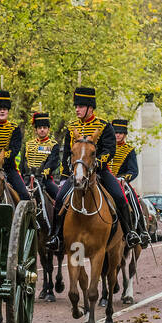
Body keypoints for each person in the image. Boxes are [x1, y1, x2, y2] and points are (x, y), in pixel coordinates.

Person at [48, 86, 141, 252]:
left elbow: (109, 149)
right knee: (60, 199)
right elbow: (67, 155)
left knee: (120, 197)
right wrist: (64, 175)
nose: (77, 109)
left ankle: (130, 233)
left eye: (81, 106)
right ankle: (56, 236)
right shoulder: (71, 127)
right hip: (76, 173)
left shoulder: (104, 126)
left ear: (90, 108)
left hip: (99, 171)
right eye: (76, 106)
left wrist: (98, 162)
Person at [108, 118, 148, 246]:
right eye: (115, 132)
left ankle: (140, 230)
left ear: (124, 134)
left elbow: (133, 170)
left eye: (120, 133)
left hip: (121, 182)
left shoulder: (129, 150)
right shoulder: (106, 148)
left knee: (133, 200)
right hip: (105, 179)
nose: (117, 135)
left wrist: (124, 178)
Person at [17, 110, 59, 233]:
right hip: (27, 179)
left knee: (60, 200)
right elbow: (22, 163)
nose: (42, 130)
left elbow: (53, 162)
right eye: (39, 127)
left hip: (44, 181)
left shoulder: (53, 145)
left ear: (48, 130)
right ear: (35, 130)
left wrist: (43, 174)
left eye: (45, 127)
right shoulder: (29, 144)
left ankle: (56, 232)